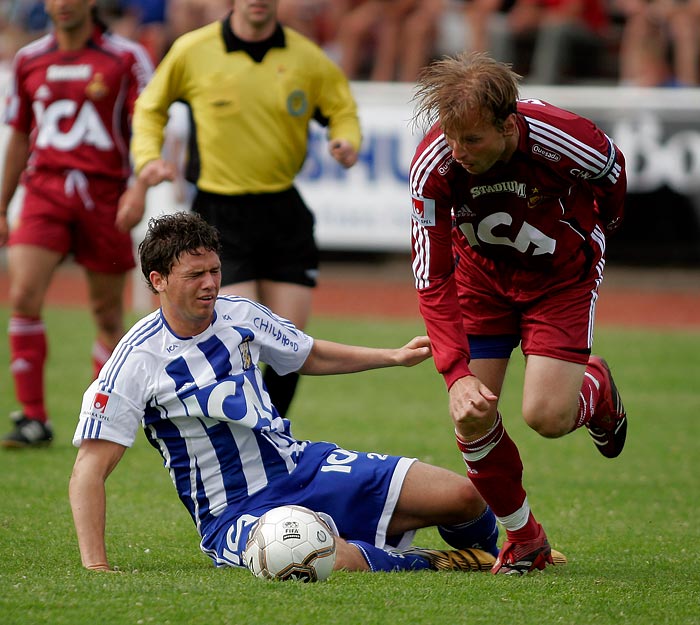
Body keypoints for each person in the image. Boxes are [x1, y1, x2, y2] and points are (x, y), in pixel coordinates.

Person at [68, 211, 506, 575]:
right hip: (235, 513)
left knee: (463, 496)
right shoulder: (134, 360)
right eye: (194, 275)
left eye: (215, 270)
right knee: (317, 558)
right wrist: (96, 566)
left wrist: (391, 356)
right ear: (158, 279)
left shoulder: (239, 315)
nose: (210, 284)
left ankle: (499, 557)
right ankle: (428, 563)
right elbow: (89, 468)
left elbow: (306, 353)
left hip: (301, 467)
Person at [409, 52, 627, 575]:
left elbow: (611, 174)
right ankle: (525, 539)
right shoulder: (434, 165)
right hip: (478, 282)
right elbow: (431, 276)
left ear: (509, 125)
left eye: (473, 140)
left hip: (559, 280)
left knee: (546, 417)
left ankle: (595, 391)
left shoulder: (562, 136)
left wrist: (592, 233)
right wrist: (454, 372)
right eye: (451, 137)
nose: (458, 152)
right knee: (471, 413)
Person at [128, 0, 361, 420]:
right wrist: (148, 158)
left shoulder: (306, 57)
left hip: (283, 210)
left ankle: (268, 434)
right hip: (220, 215)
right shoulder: (192, 50)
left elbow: (341, 108)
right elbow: (150, 107)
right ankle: (231, 435)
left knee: (289, 346)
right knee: (241, 336)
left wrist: (346, 140)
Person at [0, 0, 154, 448]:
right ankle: (33, 418)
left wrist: (138, 186)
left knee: (107, 314)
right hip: (44, 191)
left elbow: (149, 123)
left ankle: (102, 415)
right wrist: (4, 203)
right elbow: (19, 135)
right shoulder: (29, 59)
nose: (63, 4)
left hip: (104, 196)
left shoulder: (125, 57)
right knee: (24, 295)